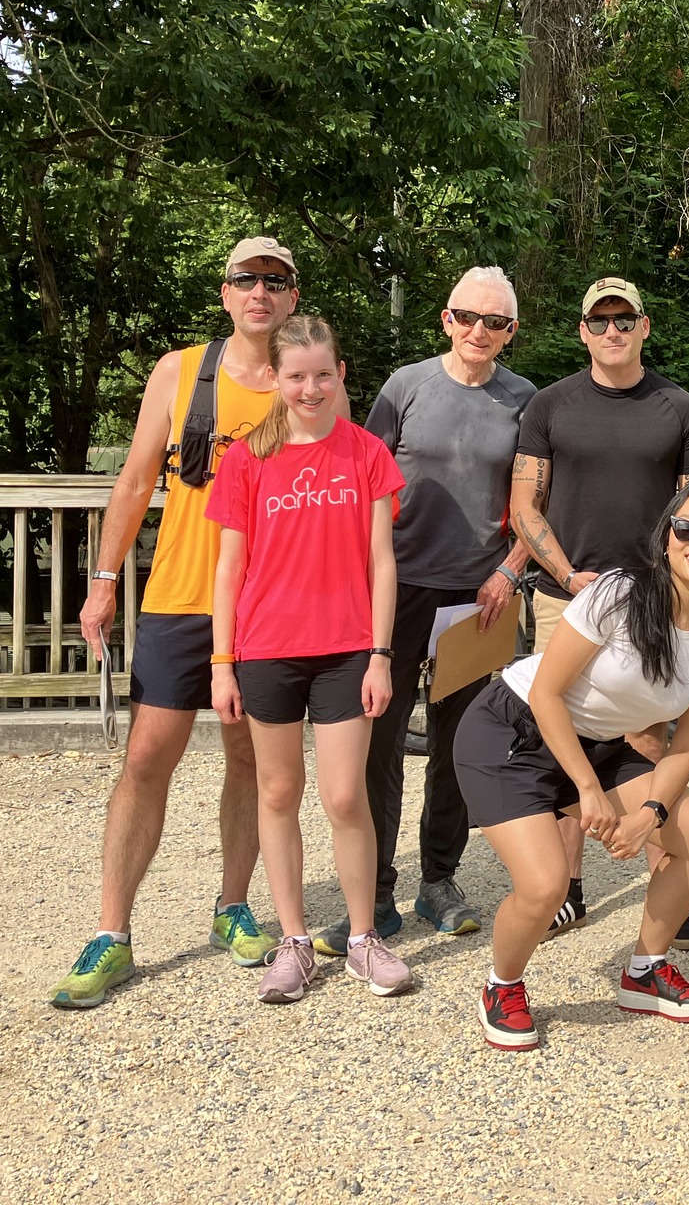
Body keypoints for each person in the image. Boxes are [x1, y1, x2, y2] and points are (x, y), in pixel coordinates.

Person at [53, 235, 318, 1010]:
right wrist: (104, 582)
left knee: (249, 756)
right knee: (146, 756)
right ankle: (112, 932)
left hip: (267, 604)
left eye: (275, 280)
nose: (260, 291)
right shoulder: (180, 371)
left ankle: (233, 907)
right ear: (226, 291)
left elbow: (327, 491)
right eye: (247, 279)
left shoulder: (304, 377)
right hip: (177, 593)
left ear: (292, 296)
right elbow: (136, 481)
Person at [456, 482, 689, 1050]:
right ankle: (502, 985)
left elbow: (685, 747)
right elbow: (546, 694)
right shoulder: (617, 594)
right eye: (686, 528)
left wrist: (652, 813)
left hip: (598, 745)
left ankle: (645, 972)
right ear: (666, 539)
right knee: (545, 886)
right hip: (510, 731)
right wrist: (587, 788)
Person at [312, 268, 537, 954]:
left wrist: (509, 571)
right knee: (378, 744)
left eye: (495, 323)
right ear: (446, 319)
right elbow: (360, 477)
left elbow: (534, 502)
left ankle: (439, 879)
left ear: (511, 332)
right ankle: (375, 892)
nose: (479, 332)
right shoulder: (405, 386)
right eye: (468, 317)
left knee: (460, 746)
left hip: (481, 596)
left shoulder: (526, 399)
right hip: (396, 589)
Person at [206, 315, 414, 1002]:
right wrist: (221, 660)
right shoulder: (245, 459)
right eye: (296, 376)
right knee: (275, 792)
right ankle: (293, 942)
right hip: (266, 650)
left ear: (341, 375)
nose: (311, 387)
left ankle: (361, 938)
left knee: (346, 795)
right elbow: (228, 568)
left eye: (323, 374)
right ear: (274, 379)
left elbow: (383, 563)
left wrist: (382, 655)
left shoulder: (366, 455)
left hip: (349, 648)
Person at [510, 276, 689, 940]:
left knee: (649, 737)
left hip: (655, 601)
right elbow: (523, 505)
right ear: (582, 331)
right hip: (563, 593)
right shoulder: (550, 406)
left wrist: (672, 580)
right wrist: (570, 574)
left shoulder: (680, 408)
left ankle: (668, 874)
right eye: (598, 321)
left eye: (623, 318)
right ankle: (566, 886)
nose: (612, 331)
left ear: (644, 326)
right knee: (558, 734)